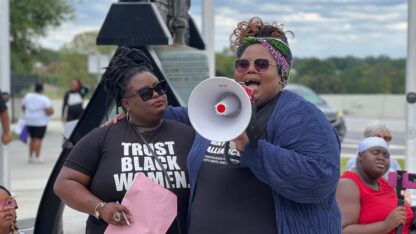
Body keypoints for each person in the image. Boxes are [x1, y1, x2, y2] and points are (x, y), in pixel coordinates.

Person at [165, 17, 341, 233]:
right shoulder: (217, 110)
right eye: (242, 64)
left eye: (262, 64)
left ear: (281, 75)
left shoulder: (302, 116)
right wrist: (129, 112)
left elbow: (320, 180)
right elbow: (167, 115)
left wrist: (252, 148)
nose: (250, 69)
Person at [54, 47, 195, 234]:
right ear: (126, 103)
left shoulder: (189, 135)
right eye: (145, 93)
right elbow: (64, 183)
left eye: (159, 87)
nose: (156, 95)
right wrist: (101, 208)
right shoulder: (102, 137)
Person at [336, 137, 414, 233]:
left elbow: (406, 208)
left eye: (386, 155)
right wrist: (385, 225)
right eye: (375, 153)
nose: (381, 158)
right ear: (360, 155)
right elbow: (343, 230)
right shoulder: (347, 185)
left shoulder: (382, 182)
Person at [22, 83, 54, 163]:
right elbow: (50, 111)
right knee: (38, 139)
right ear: (42, 90)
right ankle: (37, 156)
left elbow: (23, 107)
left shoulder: (28, 96)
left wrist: (28, 113)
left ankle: (30, 156)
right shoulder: (44, 98)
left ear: (35, 89)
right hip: (40, 122)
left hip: (29, 120)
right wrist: (48, 113)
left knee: (32, 139)